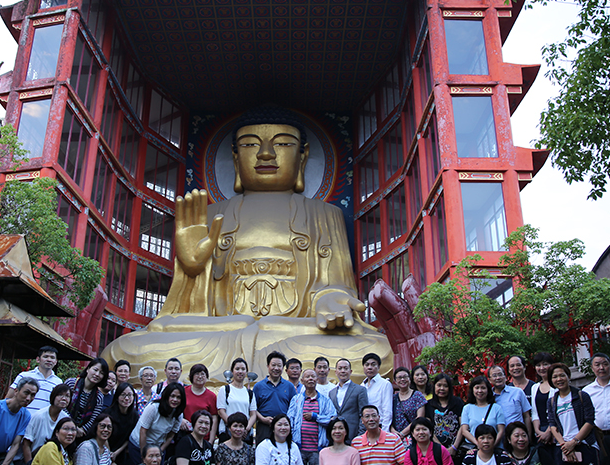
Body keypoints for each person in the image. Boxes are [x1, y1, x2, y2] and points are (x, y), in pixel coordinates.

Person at [100, 106, 393, 381]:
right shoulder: (213, 214)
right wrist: (191, 268)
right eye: (251, 144)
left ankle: (248, 361)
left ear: (302, 156)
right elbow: (182, 312)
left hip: (292, 330)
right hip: (220, 329)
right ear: (236, 156)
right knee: (125, 348)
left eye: (283, 144)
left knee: (378, 349)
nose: (266, 154)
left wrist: (331, 300)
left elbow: (335, 285)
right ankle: (257, 359)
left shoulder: (324, 214)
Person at [287, 368, 337, 465]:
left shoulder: (325, 401)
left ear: (317, 380)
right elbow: (289, 420)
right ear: (302, 381)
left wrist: (316, 417)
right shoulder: (296, 400)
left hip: (318, 448)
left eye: (312, 377)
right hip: (299, 447)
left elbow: (333, 419)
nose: (310, 379)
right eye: (307, 377)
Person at [127, 382, 184, 465]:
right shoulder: (153, 408)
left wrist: (160, 451)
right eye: (172, 396)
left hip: (157, 447)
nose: (175, 400)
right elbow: (143, 431)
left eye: (178, 397)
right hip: (139, 445)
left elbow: (171, 435)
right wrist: (144, 455)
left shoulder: (178, 414)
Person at [22, 384, 72, 465]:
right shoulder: (39, 416)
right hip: (35, 460)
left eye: (67, 396)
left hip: (55, 461)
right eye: (60, 395)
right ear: (53, 396)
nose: (64, 398)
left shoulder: (66, 419)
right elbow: (26, 444)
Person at [253, 351, 295, 445]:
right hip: (264, 426)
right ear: (268, 366)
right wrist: (263, 419)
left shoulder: (289, 386)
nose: (276, 368)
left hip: (283, 428)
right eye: (273, 365)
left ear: (283, 367)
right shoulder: (258, 386)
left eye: (279, 365)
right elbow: (253, 408)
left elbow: (294, 408)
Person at [64, 357, 109, 439]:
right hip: (63, 427)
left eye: (101, 373)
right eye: (95, 370)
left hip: (81, 435)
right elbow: (62, 406)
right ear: (88, 369)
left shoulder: (99, 397)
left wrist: (81, 430)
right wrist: (73, 427)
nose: (97, 374)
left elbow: (93, 419)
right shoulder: (71, 384)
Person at [7, 346, 63, 413]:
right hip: (22, 420)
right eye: (45, 356)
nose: (49, 360)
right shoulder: (24, 376)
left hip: (44, 421)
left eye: (52, 357)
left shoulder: (58, 382)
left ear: (56, 361)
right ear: (38, 359)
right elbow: (8, 398)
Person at [216, 357, 258, 441]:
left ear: (246, 372)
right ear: (232, 371)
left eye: (243, 369)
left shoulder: (249, 393)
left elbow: (253, 414)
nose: (240, 371)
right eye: (237, 369)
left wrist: (246, 428)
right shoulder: (225, 390)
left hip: (244, 434)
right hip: (228, 432)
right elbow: (221, 411)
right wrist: (233, 427)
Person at [460, 375, 506, 451]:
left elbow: (501, 430)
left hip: (494, 448)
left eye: (483, 388)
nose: (480, 391)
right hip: (473, 448)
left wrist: (491, 446)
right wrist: (479, 444)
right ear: (473, 390)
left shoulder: (496, 408)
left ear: (488, 390)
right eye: (477, 388)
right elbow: (464, 430)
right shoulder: (467, 408)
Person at [329, 358, 369, 439]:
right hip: (336, 437)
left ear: (350, 371)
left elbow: (364, 414)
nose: (343, 371)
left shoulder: (360, 390)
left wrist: (360, 436)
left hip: (353, 435)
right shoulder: (331, 393)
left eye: (345, 368)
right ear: (336, 372)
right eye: (340, 368)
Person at [105, 382, 137, 465]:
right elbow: (102, 436)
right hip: (105, 450)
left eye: (130, 395)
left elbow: (130, 438)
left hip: (122, 452)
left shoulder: (134, 416)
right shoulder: (108, 414)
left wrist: (116, 453)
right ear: (117, 396)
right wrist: (111, 456)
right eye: (123, 395)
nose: (126, 398)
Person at [390, 366, 427, 442]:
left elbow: (419, 417)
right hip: (396, 438)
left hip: (414, 436)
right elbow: (388, 416)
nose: (402, 379)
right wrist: (393, 431)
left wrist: (403, 434)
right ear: (395, 381)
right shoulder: (393, 398)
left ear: (410, 379)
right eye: (399, 377)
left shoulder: (417, 395)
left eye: (405, 377)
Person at [183, 363, 218, 442]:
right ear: (191, 376)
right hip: (185, 434)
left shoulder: (211, 396)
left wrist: (211, 439)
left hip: (204, 437)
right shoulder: (183, 392)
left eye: (203, 374)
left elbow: (214, 418)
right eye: (197, 374)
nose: (200, 377)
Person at [361, 353, 393, 425]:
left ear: (378, 367)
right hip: (365, 427)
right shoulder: (362, 386)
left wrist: (385, 431)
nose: (369, 367)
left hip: (380, 425)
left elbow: (387, 411)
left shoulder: (385, 384)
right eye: (367, 365)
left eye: (373, 364)